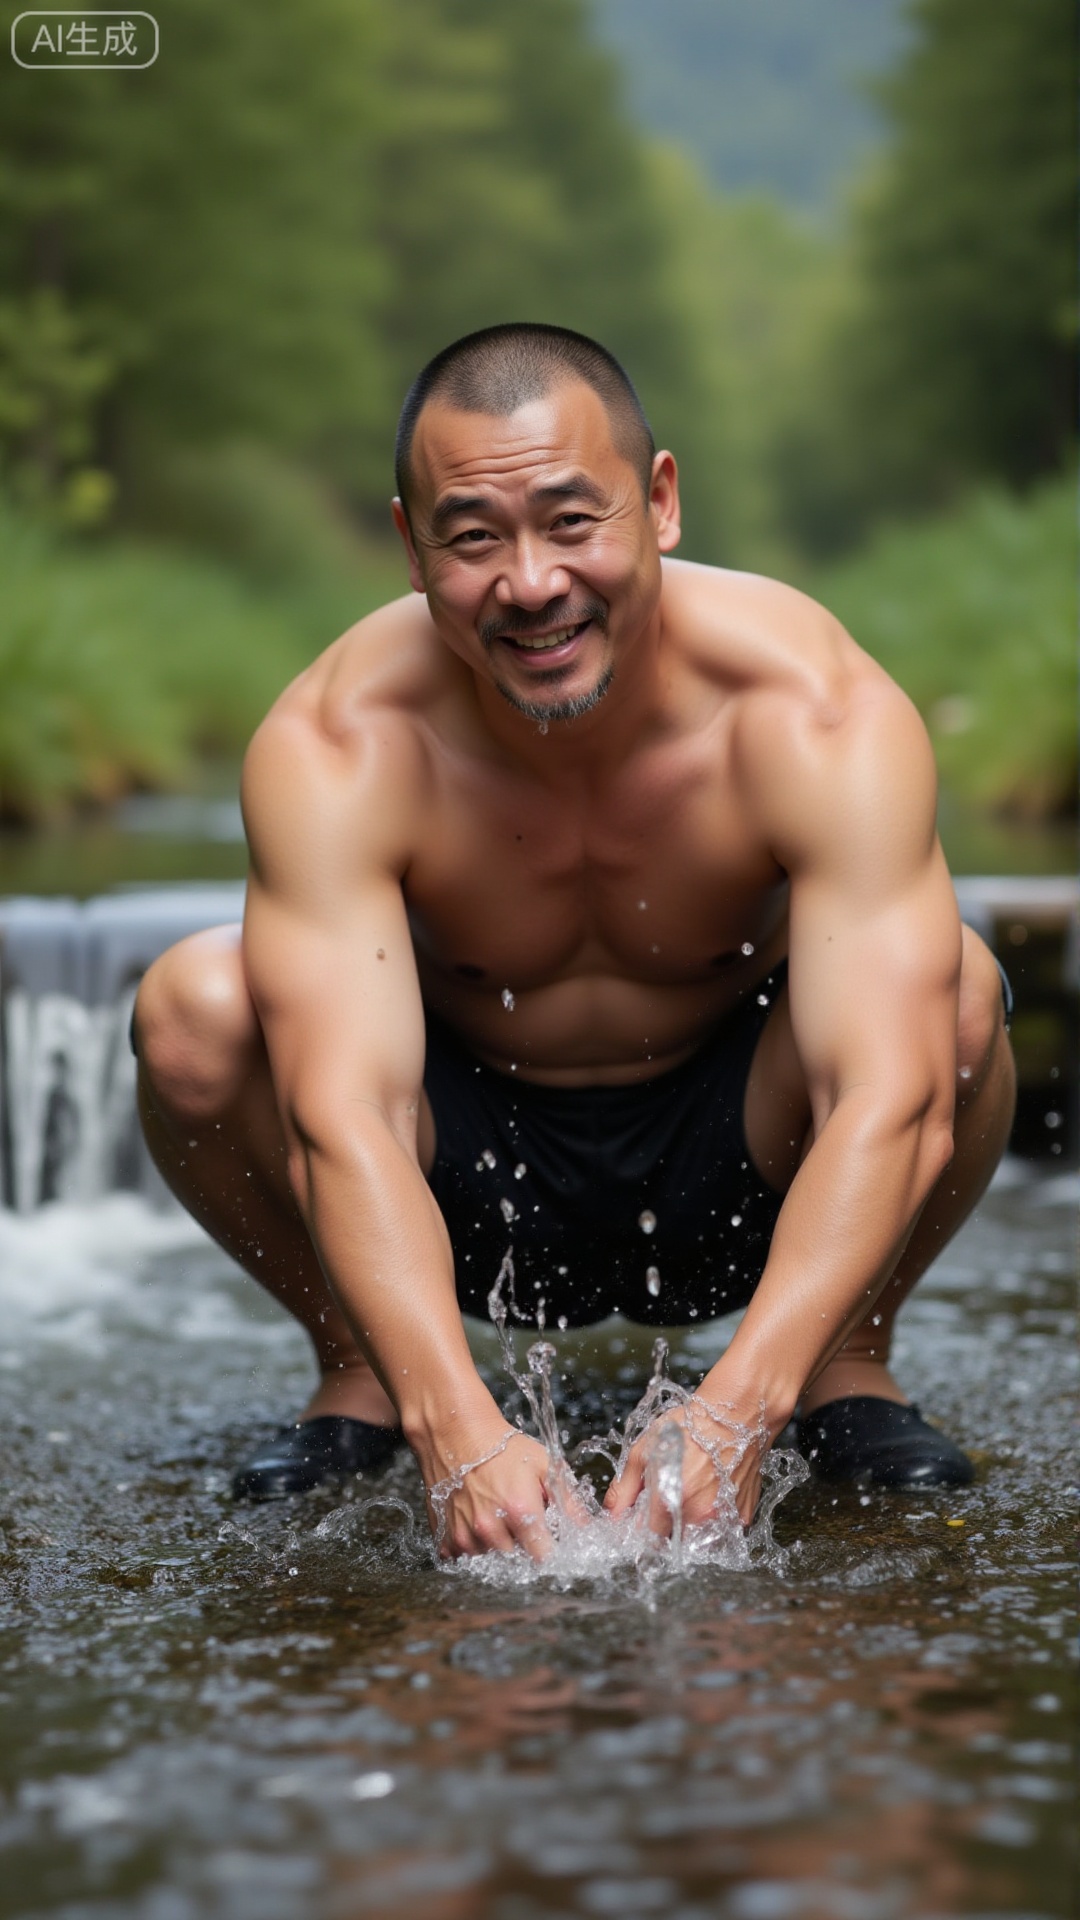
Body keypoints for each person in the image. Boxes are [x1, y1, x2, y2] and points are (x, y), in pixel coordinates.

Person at [132, 323, 1016, 1560]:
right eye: (474, 537)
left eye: (571, 520)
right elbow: (346, 1113)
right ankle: (367, 1376)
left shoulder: (810, 708)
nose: (533, 583)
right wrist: (458, 1430)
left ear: (659, 503)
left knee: (957, 997)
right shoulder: (340, 740)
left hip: (741, 1157)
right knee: (194, 1009)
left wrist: (737, 1408)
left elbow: (892, 1090)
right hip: (469, 1174)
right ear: (410, 546)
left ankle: (842, 1366)